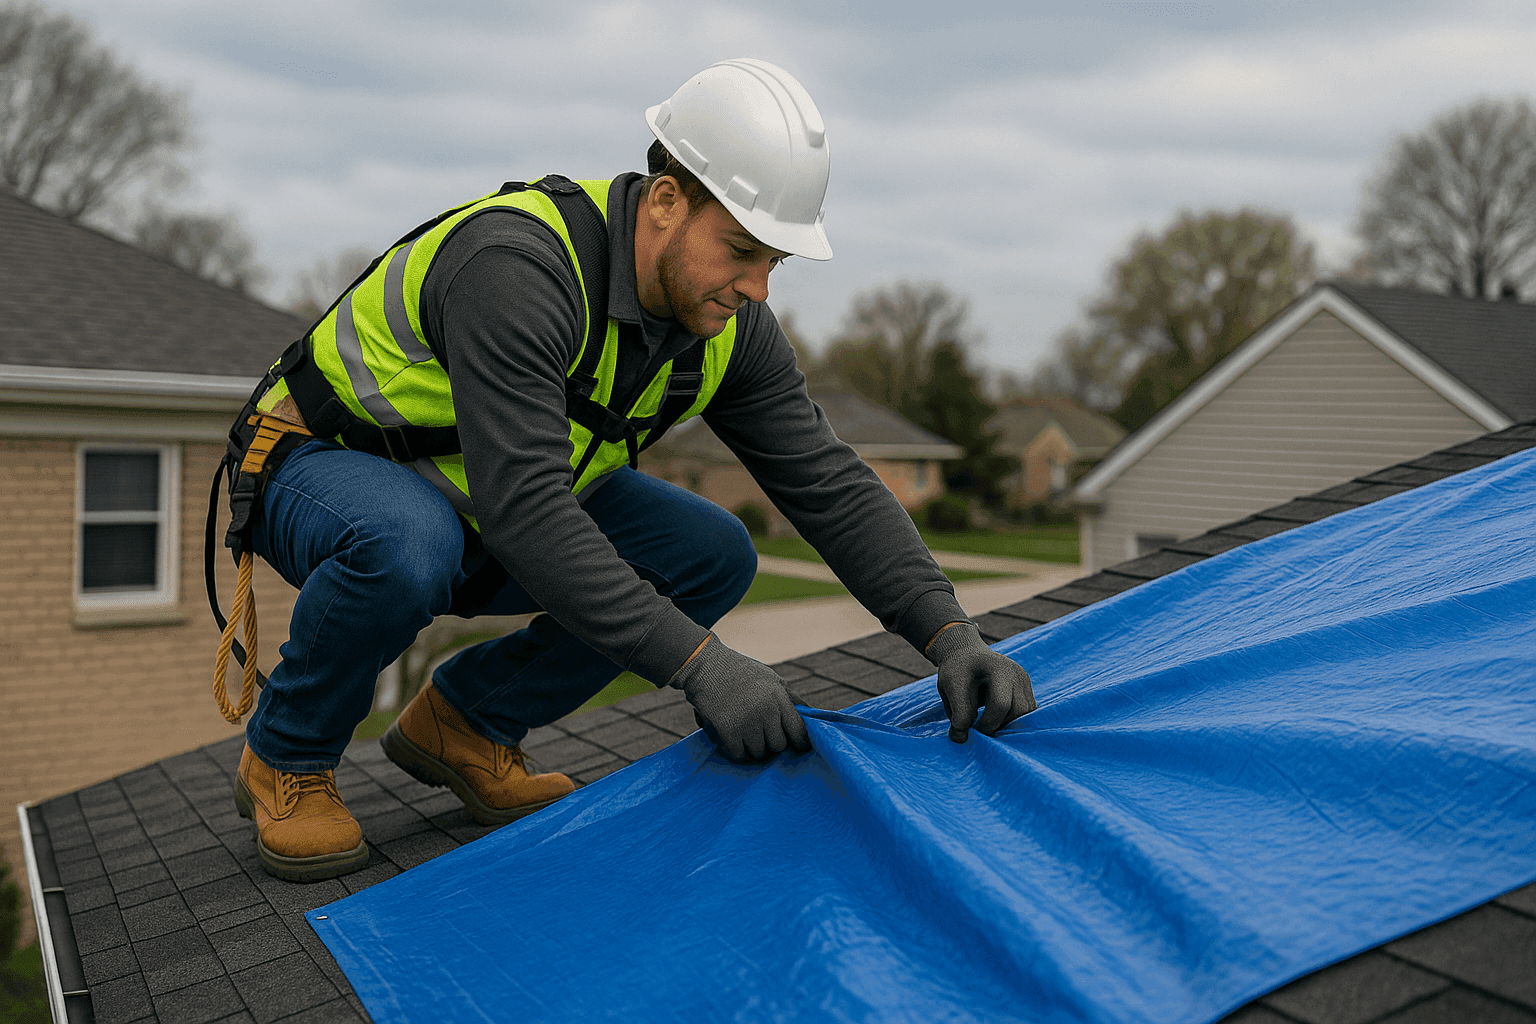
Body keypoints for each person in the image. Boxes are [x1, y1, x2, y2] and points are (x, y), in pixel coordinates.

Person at [220, 58, 1035, 882]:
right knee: (405, 541)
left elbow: (827, 482)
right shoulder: (516, 268)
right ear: (666, 201)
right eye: (741, 250)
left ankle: (464, 725)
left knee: (711, 552)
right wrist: (701, 664)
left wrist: (948, 632)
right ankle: (287, 755)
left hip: (476, 510)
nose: (755, 288)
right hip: (316, 469)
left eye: (774, 264)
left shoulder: (728, 328)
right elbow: (529, 513)